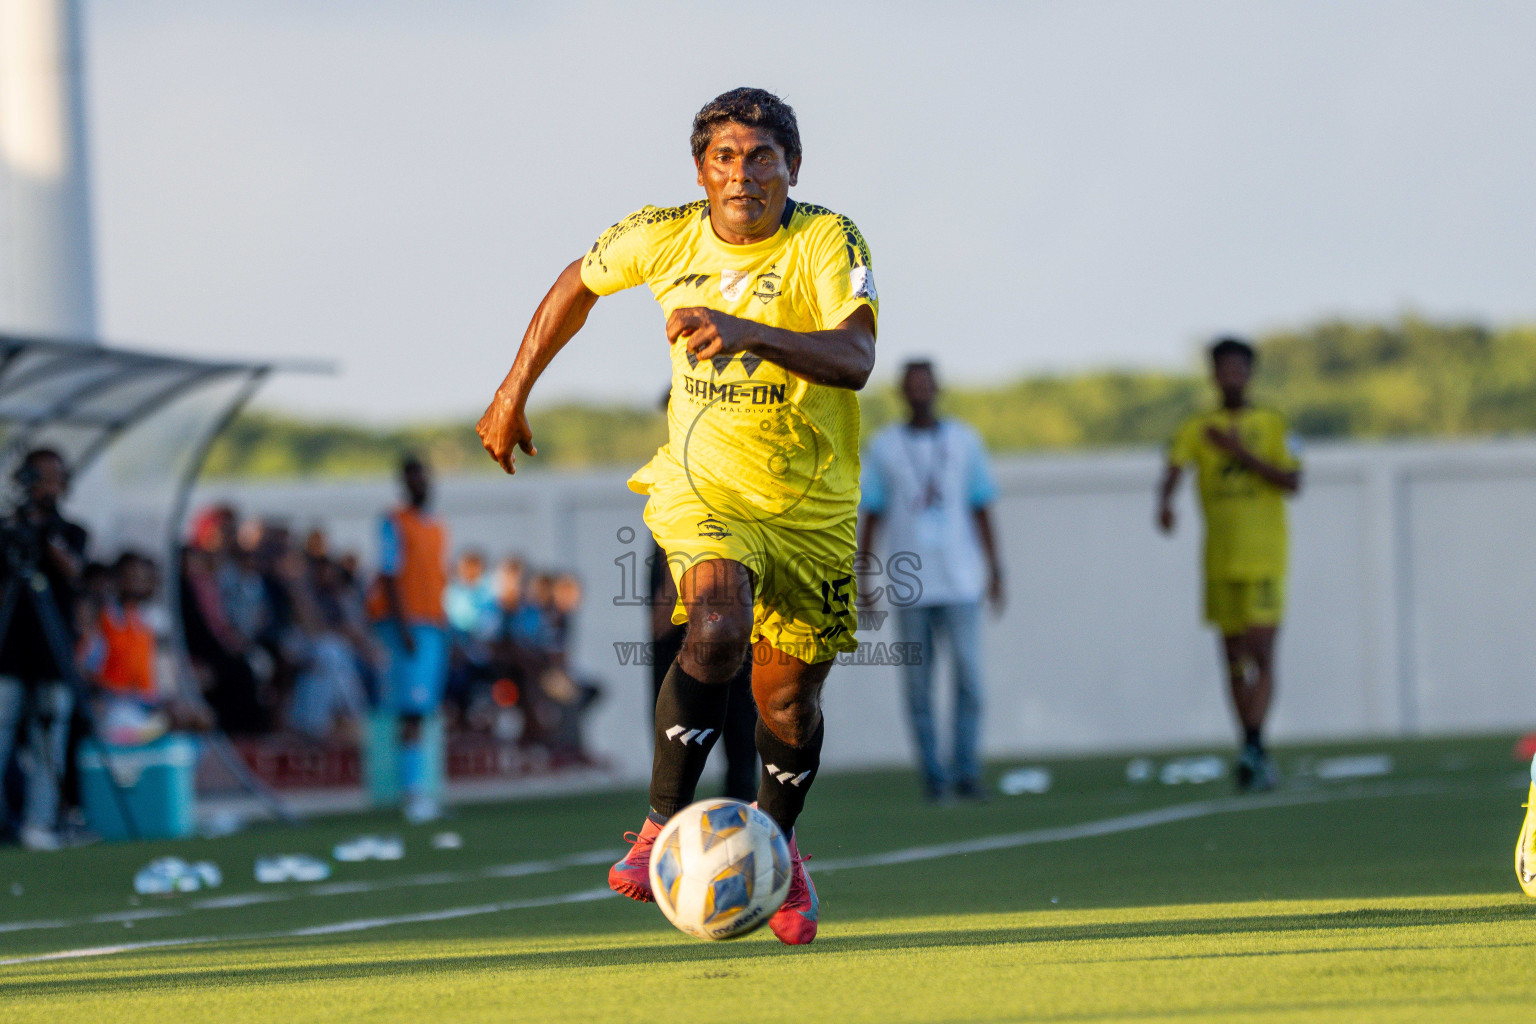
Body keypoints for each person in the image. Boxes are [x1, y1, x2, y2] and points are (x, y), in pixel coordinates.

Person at [477, 88, 877, 944]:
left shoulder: (826, 240)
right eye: (724, 158)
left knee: (787, 704)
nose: (743, 175)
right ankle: (663, 821)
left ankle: (778, 843)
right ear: (700, 172)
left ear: (792, 168)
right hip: (705, 489)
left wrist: (745, 330)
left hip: (811, 508)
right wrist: (515, 387)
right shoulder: (661, 233)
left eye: (761, 157)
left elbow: (855, 357)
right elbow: (575, 286)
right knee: (718, 626)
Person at [1157, 336, 1302, 792]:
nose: (1231, 377)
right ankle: (1251, 746)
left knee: (1262, 650)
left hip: (1264, 556)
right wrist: (1165, 503)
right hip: (1220, 560)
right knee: (1234, 660)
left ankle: (1254, 746)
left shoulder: (1273, 422)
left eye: (1239, 368)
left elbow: (1292, 479)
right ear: (1213, 375)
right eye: (1224, 369)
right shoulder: (1198, 427)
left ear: (1250, 373)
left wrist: (1240, 452)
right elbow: (1174, 469)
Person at [857, 359, 1004, 802]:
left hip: (960, 579)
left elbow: (981, 506)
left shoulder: (964, 440)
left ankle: (966, 770)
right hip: (912, 586)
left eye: (926, 384)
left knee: (969, 679)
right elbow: (873, 515)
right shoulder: (884, 446)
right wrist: (865, 578)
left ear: (937, 388)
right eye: (912, 385)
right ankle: (933, 775)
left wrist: (996, 570)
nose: (920, 392)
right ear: (902, 392)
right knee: (918, 688)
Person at [0, 449, 89, 850]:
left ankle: (40, 823)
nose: (48, 487)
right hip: (9, 650)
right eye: (41, 478)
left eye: (56, 478)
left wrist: (45, 534)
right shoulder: (6, 530)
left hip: (53, 652)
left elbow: (73, 571)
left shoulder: (70, 531)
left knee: (49, 738)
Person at [368, 454, 450, 823]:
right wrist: (401, 625)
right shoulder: (393, 523)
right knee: (411, 710)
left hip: (432, 625)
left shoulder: (434, 527)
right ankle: (412, 792)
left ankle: (423, 786)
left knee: (425, 708)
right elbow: (389, 572)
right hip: (408, 625)